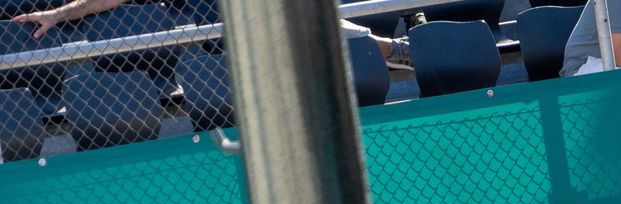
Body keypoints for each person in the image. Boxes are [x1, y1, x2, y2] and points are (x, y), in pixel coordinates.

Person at [10, 0, 414, 68]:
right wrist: (56, 15)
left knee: (309, 19)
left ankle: (396, 50)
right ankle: (392, 50)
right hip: (220, 43)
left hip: (272, 21)